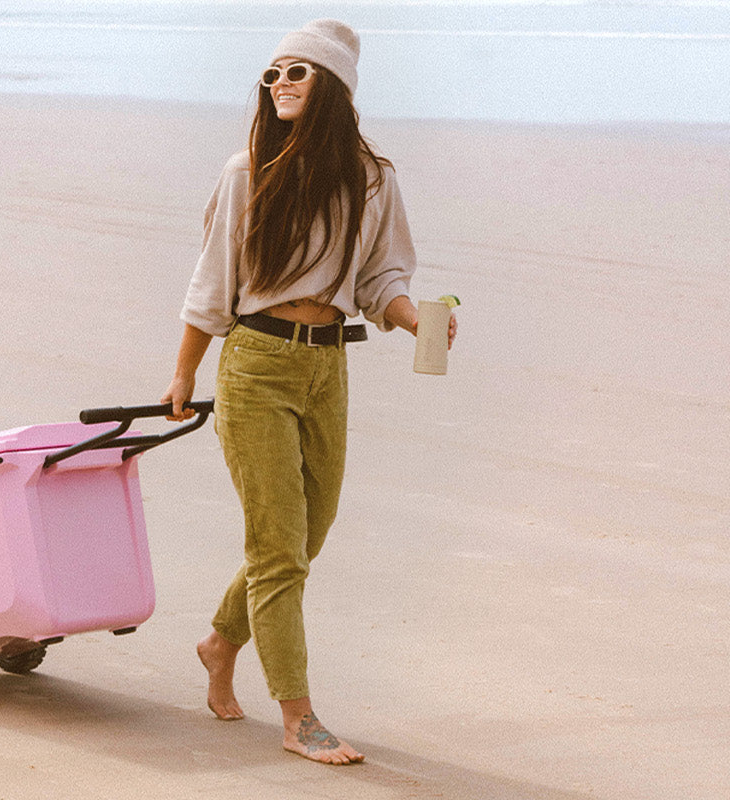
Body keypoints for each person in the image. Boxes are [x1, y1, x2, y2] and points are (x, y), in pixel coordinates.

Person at [158, 19, 455, 766]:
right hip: (255, 364)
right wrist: (184, 372)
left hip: (329, 366)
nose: (280, 84)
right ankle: (299, 717)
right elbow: (212, 284)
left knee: (305, 536)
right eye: (272, 73)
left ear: (334, 87)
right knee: (279, 551)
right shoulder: (246, 172)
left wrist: (417, 320)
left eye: (299, 71)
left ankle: (220, 641)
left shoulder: (373, 177)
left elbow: (382, 277)